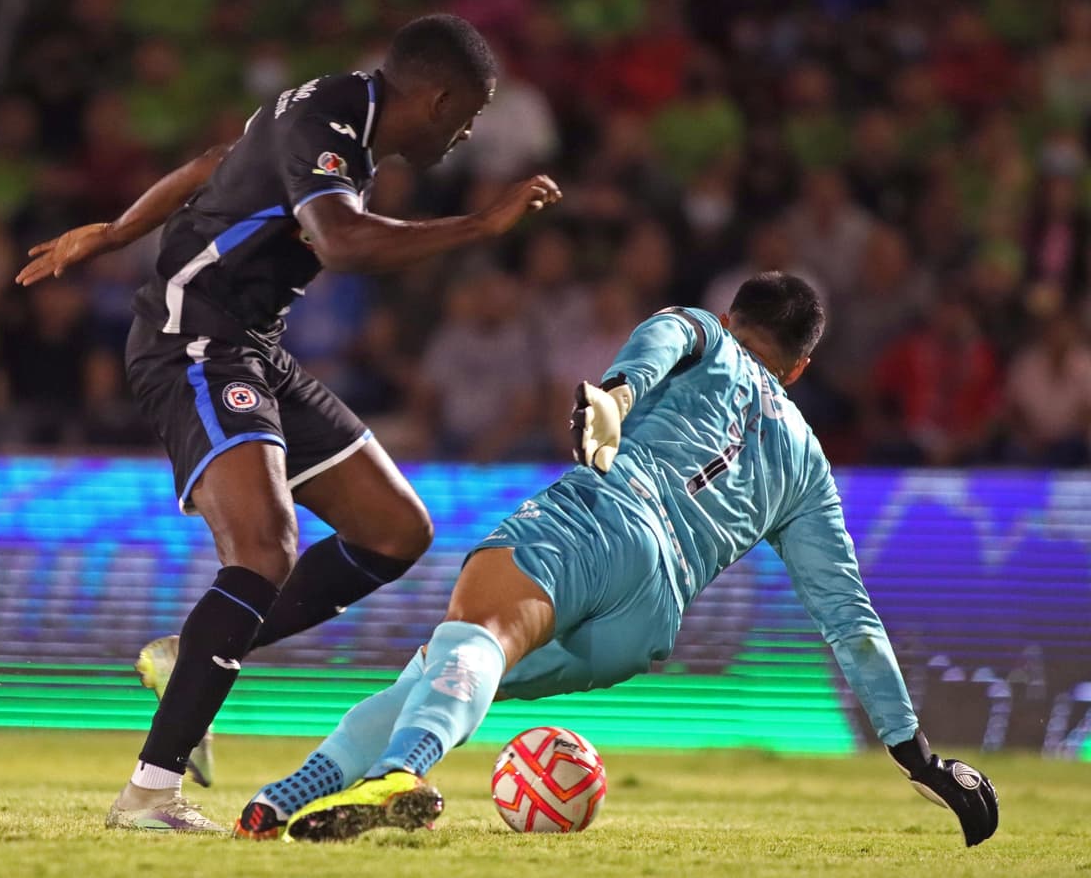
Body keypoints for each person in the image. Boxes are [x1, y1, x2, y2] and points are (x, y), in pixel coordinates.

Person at [15, 14, 562, 834]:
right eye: (471, 114)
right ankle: (149, 794)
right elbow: (339, 242)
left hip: (252, 348)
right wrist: (481, 226)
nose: (468, 134)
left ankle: (185, 656)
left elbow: (215, 162)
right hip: (194, 339)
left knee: (395, 529)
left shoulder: (336, 115)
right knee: (265, 549)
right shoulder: (328, 122)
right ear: (440, 99)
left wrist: (119, 230)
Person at [242, 273, 1000, 847]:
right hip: (647, 622)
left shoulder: (703, 333)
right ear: (799, 369)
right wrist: (919, 757)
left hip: (606, 518)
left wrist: (618, 394)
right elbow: (849, 621)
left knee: (476, 635)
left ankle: (397, 774)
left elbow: (660, 344)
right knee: (441, 671)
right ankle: (284, 798)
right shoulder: (807, 466)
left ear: (732, 320)